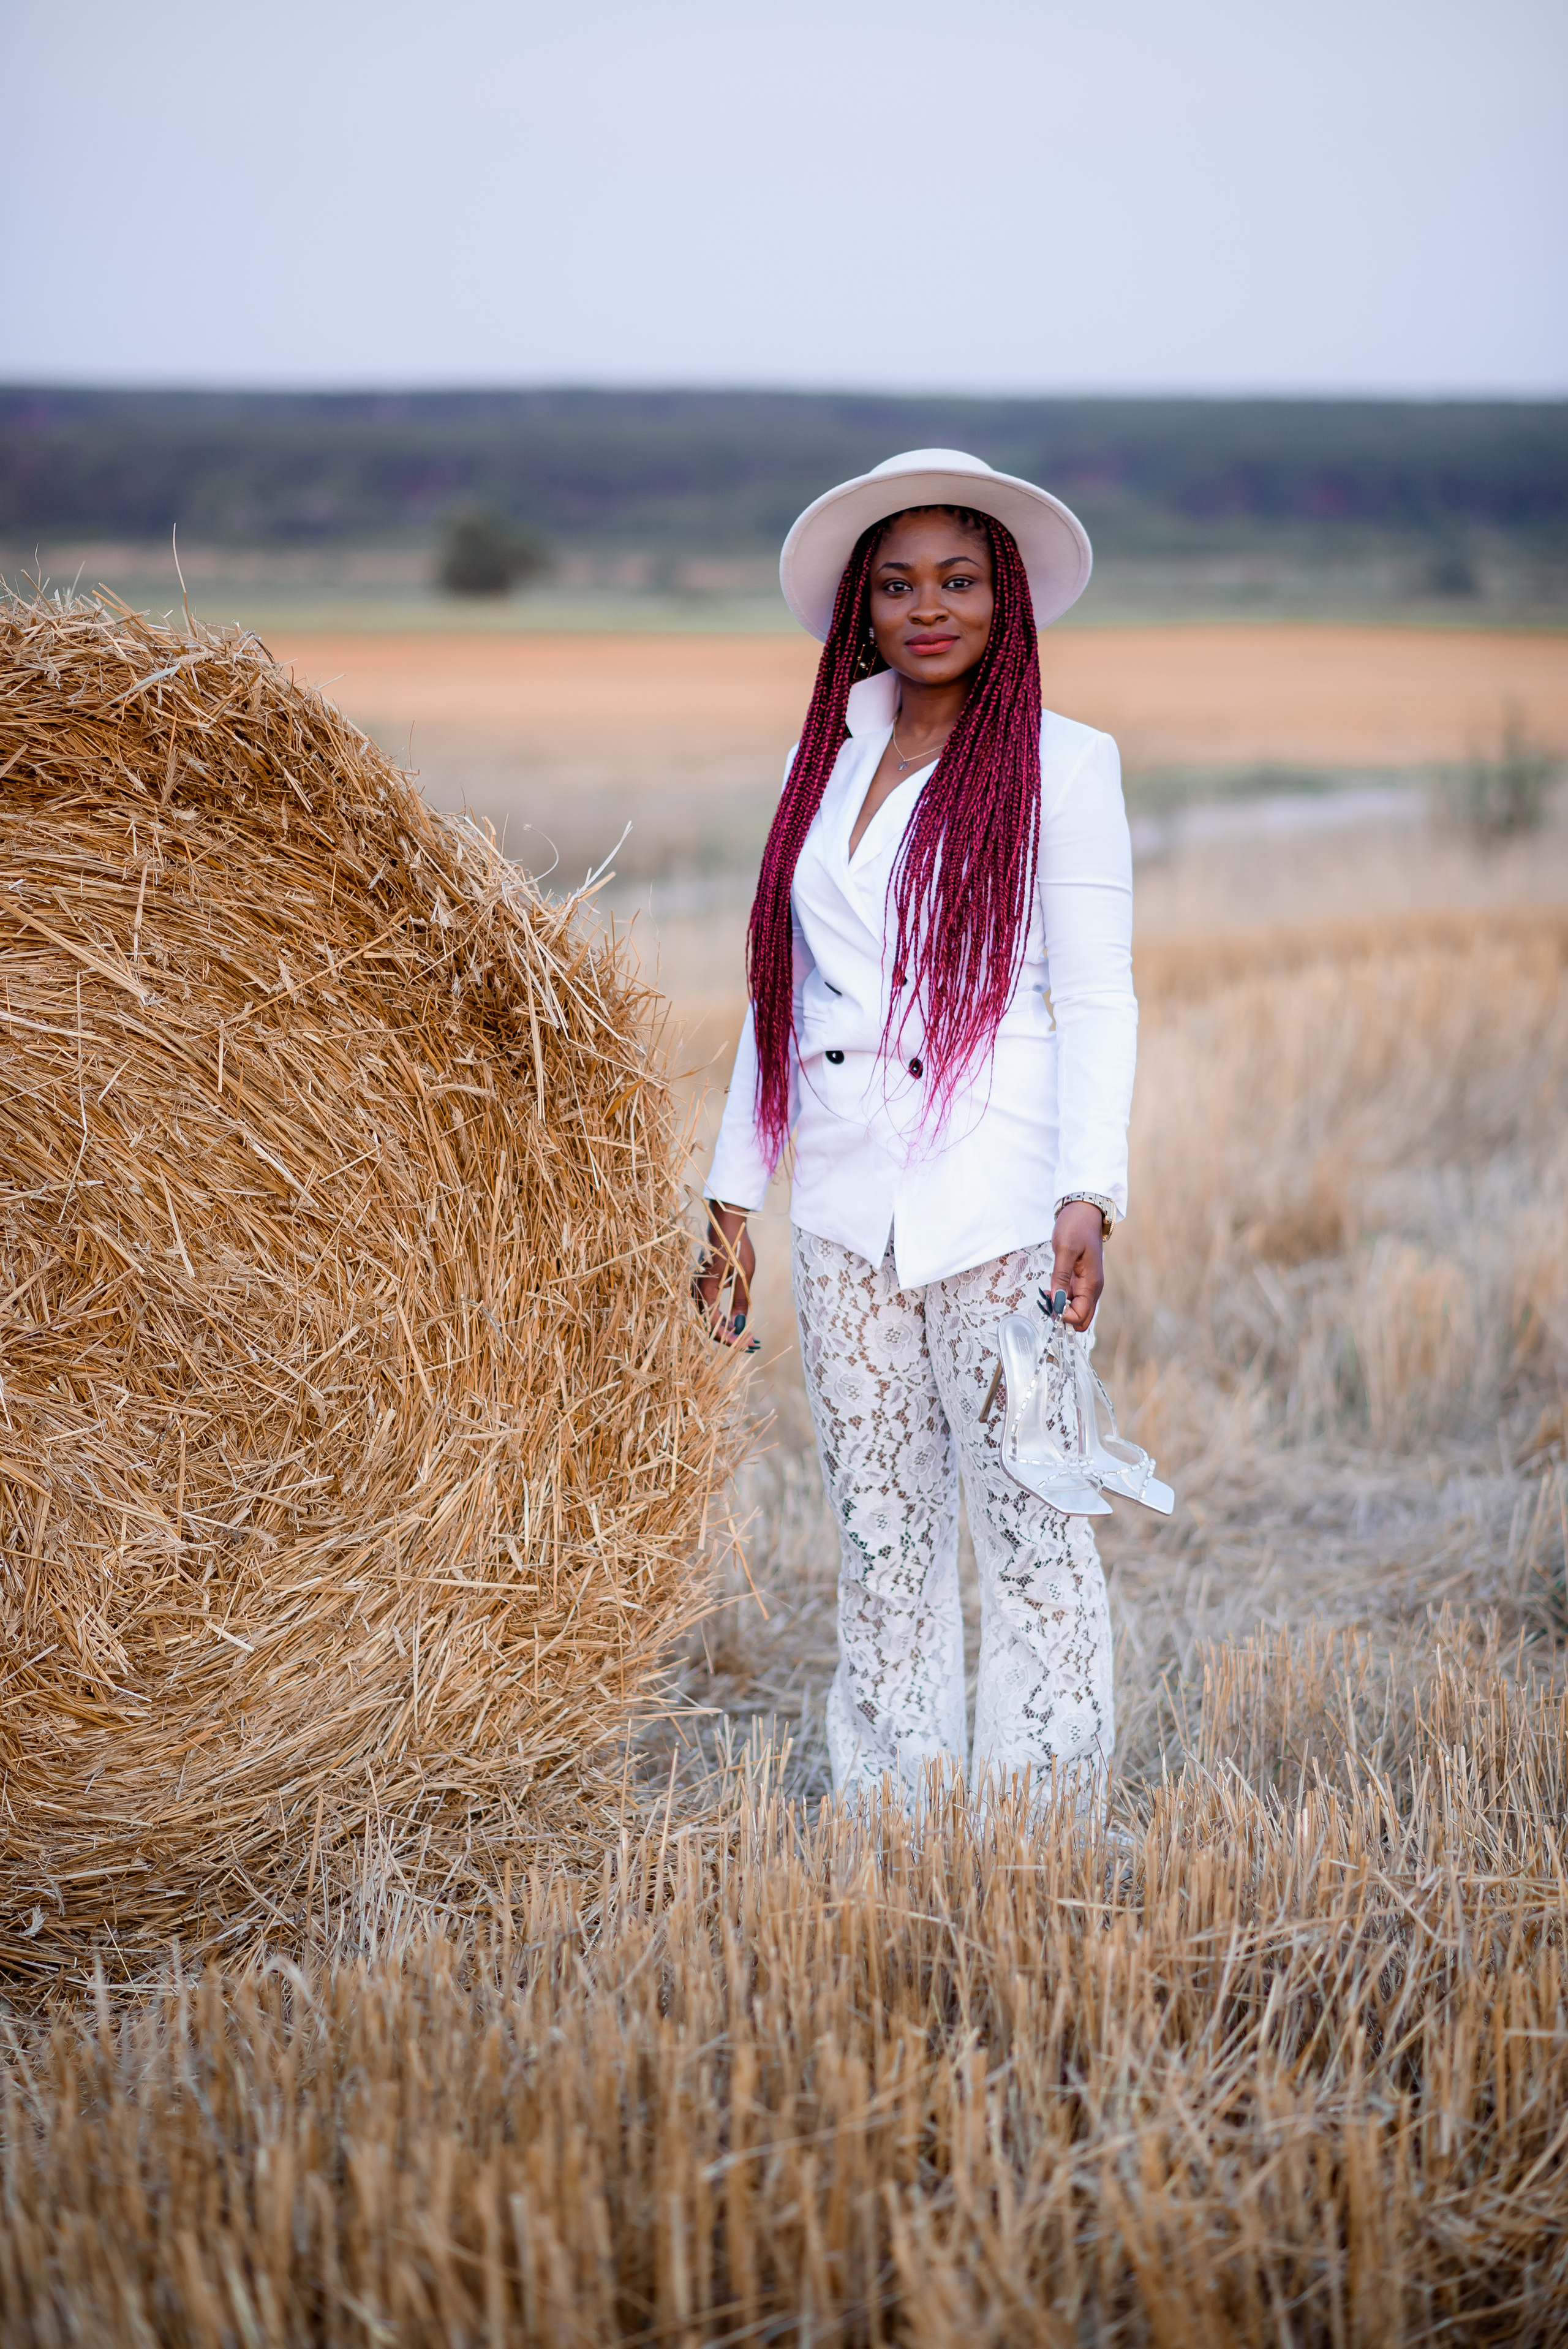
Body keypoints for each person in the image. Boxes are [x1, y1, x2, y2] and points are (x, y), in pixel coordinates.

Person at [696, 448, 1136, 1812]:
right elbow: (785, 987)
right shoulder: (818, 760)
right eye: (895, 585)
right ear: (860, 609)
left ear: (1003, 597)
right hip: (840, 1195)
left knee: (1026, 1518)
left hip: (997, 1191)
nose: (925, 606)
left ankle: (1036, 1822)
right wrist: (731, 1190)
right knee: (880, 1534)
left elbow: (1095, 990)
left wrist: (1090, 1192)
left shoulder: (1064, 764)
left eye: (956, 579)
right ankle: (894, 1814)